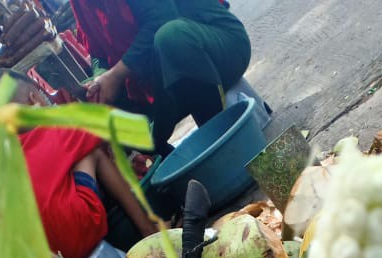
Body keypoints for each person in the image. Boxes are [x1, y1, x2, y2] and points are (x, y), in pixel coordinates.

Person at [0, 69, 158, 258]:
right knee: (92, 153)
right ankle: (149, 231)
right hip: (79, 237)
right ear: (34, 99)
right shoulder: (52, 128)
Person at [68, 0, 251, 154]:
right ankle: (173, 170)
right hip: (157, 73)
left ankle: (222, 141)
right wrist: (100, 77)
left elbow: (162, 19)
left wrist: (115, 75)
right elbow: (97, 52)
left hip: (218, 46)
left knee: (171, 37)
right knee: (99, 105)